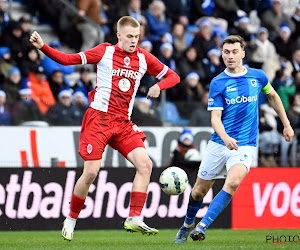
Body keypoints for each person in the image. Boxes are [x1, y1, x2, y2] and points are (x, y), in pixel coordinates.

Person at [30, 15, 180, 241]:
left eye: (137, 37)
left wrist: (159, 85)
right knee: (90, 172)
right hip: (99, 119)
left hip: (123, 123)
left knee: (145, 164)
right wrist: (43, 47)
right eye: (129, 36)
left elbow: (174, 76)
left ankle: (134, 217)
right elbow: (68, 60)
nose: (133, 41)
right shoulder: (104, 52)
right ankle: (71, 219)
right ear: (118, 35)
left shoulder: (143, 58)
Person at [174, 35, 294, 243]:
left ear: (243, 54)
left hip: (245, 144)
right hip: (219, 143)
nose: (230, 56)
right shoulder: (218, 82)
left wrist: (286, 124)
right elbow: (215, 118)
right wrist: (225, 137)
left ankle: (202, 227)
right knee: (198, 192)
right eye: (226, 52)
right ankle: (187, 225)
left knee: (233, 183)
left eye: (234, 52)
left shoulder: (257, 76)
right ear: (222, 54)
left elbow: (273, 96)